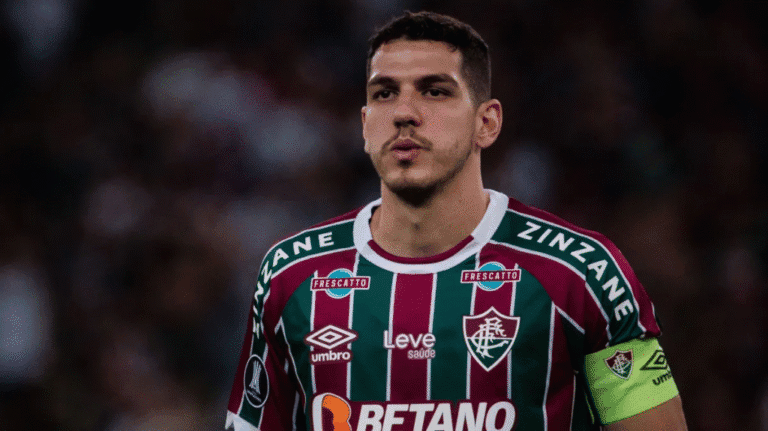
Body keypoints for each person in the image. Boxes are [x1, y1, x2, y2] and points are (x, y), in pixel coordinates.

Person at [226, 11, 688, 431]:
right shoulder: (292, 274)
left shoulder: (582, 271)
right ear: (366, 124)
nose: (405, 113)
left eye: (435, 91)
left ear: (486, 122)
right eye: (385, 93)